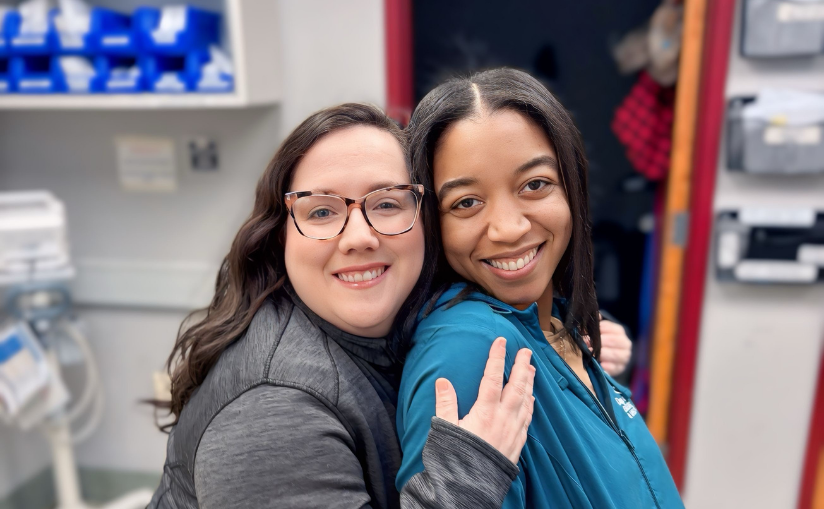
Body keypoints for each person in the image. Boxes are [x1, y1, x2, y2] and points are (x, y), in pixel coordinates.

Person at [147, 103, 537, 509]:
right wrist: (468, 473)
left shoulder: (403, 318)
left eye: (387, 203)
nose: (359, 237)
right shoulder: (271, 413)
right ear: (280, 237)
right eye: (321, 211)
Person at [396, 68, 684, 508]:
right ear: (433, 221)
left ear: (572, 187)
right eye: (466, 203)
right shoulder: (473, 352)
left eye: (535, 185)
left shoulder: (556, 323)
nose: (509, 229)